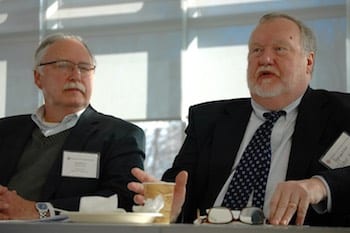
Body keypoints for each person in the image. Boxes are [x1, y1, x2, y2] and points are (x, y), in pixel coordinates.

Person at [128, 12, 350, 227]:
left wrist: (319, 186)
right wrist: (168, 207)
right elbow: (180, 185)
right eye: (256, 50)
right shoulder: (208, 120)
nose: (265, 59)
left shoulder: (342, 112)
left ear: (308, 62)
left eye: (280, 49)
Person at [0, 33, 145, 220]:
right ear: (38, 78)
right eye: (63, 65)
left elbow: (122, 200)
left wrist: (39, 211)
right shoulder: (5, 131)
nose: (76, 75)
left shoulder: (120, 135)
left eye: (84, 68)